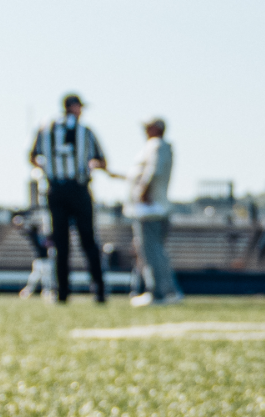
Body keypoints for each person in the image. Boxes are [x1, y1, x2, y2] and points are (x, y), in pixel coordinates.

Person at [29, 93, 115, 304]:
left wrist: (49, 168)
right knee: (82, 241)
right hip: (73, 189)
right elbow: (101, 159)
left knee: (65, 243)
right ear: (73, 107)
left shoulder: (45, 129)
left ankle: (65, 293)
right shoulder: (83, 132)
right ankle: (96, 291)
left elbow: (32, 157)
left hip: (57, 189)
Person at [126, 117, 182, 307]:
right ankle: (167, 291)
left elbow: (153, 171)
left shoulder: (157, 145)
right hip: (153, 208)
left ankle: (160, 292)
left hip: (150, 209)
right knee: (155, 251)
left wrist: (143, 190)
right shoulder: (158, 146)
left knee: (151, 252)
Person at [14, 210, 55, 299]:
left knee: (47, 277)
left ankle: (47, 292)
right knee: (35, 276)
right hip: (39, 259)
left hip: (47, 259)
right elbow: (25, 231)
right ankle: (28, 291)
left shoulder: (50, 235)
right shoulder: (35, 235)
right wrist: (20, 225)